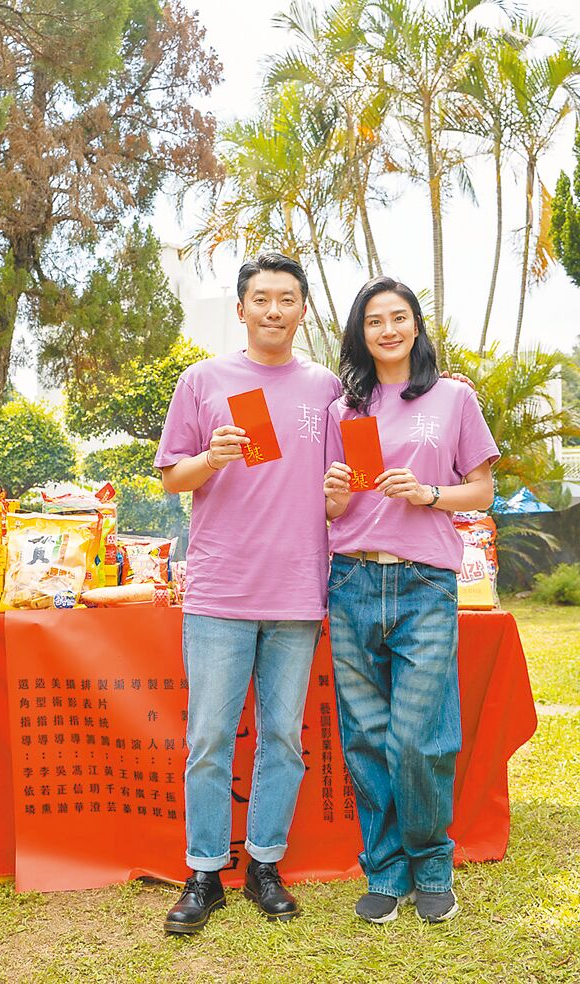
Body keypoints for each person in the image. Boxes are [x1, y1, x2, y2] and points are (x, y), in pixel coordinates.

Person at [155, 252, 341, 934]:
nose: (272, 309)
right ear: (241, 309)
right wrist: (214, 458)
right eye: (260, 298)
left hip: (296, 590)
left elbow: (353, 464)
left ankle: (265, 862)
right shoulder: (203, 381)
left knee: (283, 740)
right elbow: (173, 476)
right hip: (219, 591)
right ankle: (204, 871)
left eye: (286, 298)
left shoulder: (325, 389)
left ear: (301, 310)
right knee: (208, 737)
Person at [323, 276, 499, 925]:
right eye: (374, 321)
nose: (388, 330)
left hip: (424, 584)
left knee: (420, 738)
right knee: (366, 736)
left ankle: (431, 863)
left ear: (416, 327)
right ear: (360, 333)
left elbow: (481, 491)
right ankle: (386, 869)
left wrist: (427, 493)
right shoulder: (346, 408)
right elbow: (328, 508)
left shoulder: (451, 398)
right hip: (351, 580)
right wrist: (333, 493)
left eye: (399, 318)